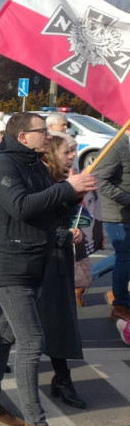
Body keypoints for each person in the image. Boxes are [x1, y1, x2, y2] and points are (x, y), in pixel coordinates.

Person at [0, 112, 95, 426]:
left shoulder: (36, 164)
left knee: (4, 337)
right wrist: (64, 188)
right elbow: (21, 207)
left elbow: (47, 212)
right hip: (9, 266)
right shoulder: (1, 166)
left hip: (34, 262)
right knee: (31, 341)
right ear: (24, 136)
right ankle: (36, 425)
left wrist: (74, 194)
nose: (50, 136)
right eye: (43, 131)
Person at [38, 132, 88, 408]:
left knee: (59, 321)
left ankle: (62, 378)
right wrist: (64, 232)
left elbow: (62, 218)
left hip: (57, 258)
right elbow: (35, 218)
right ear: (53, 152)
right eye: (68, 151)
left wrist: (74, 231)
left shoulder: (64, 178)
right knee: (12, 326)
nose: (73, 155)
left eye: (75, 150)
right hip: (34, 259)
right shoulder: (41, 179)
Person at [91, 122, 130, 328]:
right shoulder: (118, 145)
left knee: (125, 256)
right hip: (114, 212)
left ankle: (83, 280)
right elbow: (99, 179)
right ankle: (120, 305)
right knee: (125, 258)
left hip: (125, 211)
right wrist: (127, 198)